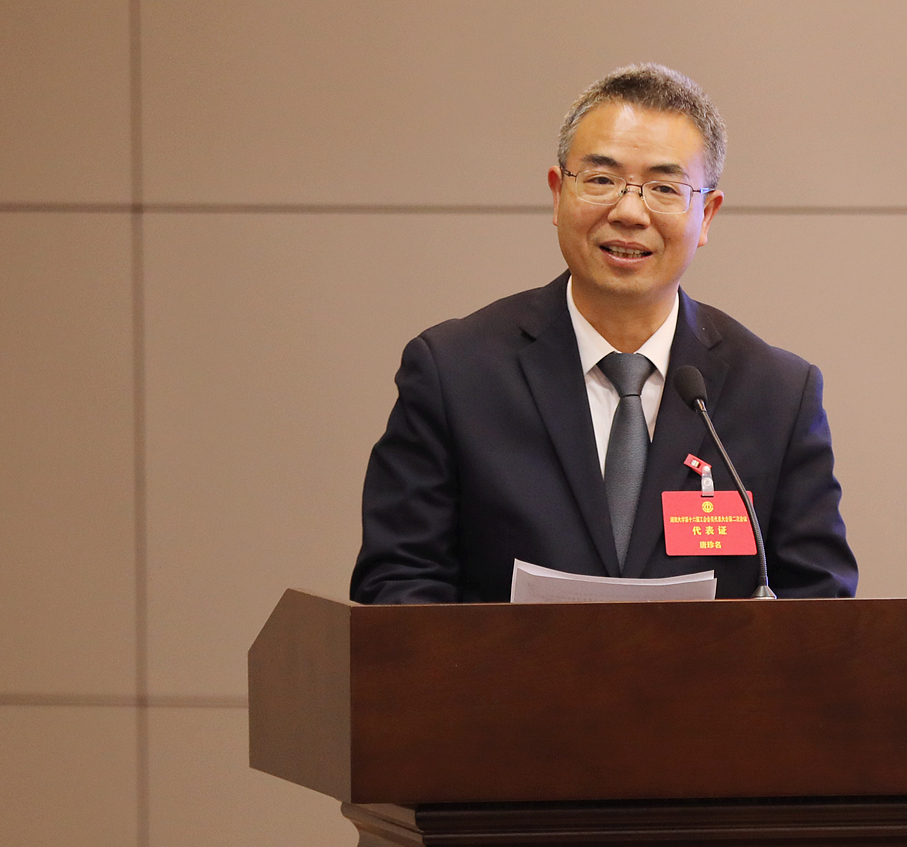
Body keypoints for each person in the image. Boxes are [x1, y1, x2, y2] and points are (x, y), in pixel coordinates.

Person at [350, 64, 857, 603]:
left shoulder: (777, 395)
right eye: (601, 180)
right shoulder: (455, 373)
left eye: (664, 188)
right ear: (557, 193)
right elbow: (399, 584)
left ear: (706, 215)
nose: (629, 212)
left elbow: (820, 606)